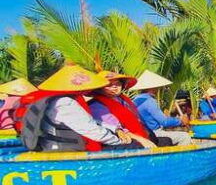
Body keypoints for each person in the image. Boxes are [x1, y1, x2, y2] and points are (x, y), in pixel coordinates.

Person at [17, 64, 145, 151]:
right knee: (136, 146)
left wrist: (115, 130)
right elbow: (94, 132)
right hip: (63, 150)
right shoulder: (65, 103)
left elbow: (89, 121)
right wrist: (120, 141)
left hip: (51, 145)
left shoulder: (54, 99)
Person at [89, 71, 161, 148]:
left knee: (164, 140)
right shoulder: (96, 105)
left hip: (139, 134)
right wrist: (142, 140)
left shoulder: (122, 100)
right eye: (109, 85)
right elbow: (118, 130)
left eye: (117, 84)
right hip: (120, 139)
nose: (114, 87)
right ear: (100, 88)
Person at [129, 70, 192, 146]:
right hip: (154, 133)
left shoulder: (136, 99)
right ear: (154, 87)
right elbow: (164, 122)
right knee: (185, 136)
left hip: (144, 132)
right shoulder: (149, 101)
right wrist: (180, 121)